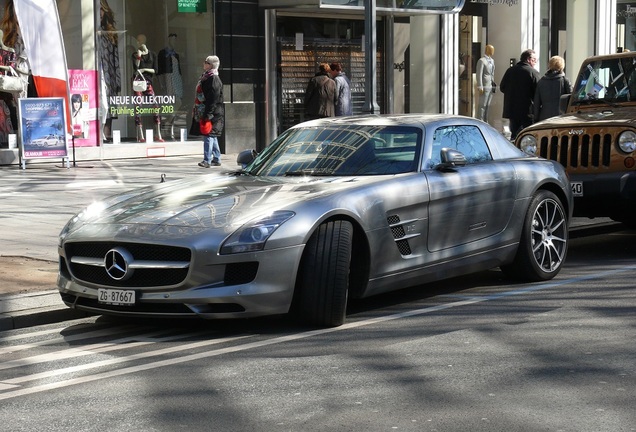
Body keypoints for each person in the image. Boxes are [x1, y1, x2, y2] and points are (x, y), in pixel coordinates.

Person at [190, 55, 224, 168]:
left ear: (211, 65)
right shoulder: (207, 76)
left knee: (208, 134)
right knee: (211, 134)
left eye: (206, 62)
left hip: (212, 112)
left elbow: (213, 98)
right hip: (208, 110)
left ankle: (207, 160)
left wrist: (208, 114)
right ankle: (217, 158)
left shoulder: (213, 78)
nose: (203, 63)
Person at [500, 49, 541, 140]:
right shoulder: (533, 72)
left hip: (512, 110)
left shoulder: (510, 71)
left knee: (514, 135)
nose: (535, 63)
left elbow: (502, 87)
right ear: (529, 59)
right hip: (527, 111)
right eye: (535, 60)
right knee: (528, 137)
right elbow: (538, 92)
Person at [131, 34, 163, 142]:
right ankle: (140, 135)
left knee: (155, 106)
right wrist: (139, 57)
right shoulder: (135, 54)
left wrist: (144, 69)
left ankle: (158, 133)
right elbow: (135, 69)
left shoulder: (153, 54)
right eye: (138, 41)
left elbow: (156, 70)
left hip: (148, 82)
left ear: (145, 41)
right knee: (138, 107)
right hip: (138, 83)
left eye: (140, 40)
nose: (139, 43)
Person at [97, 0, 121, 143]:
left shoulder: (110, 32)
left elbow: (115, 57)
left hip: (109, 74)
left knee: (109, 104)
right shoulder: (91, 30)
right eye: (98, 9)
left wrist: (117, 79)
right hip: (95, 72)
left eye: (102, 9)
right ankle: (97, 135)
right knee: (98, 103)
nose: (100, 13)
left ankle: (107, 135)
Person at [157, 33, 183, 140]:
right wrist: (161, 82)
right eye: (172, 40)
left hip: (176, 78)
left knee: (178, 101)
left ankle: (169, 122)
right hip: (167, 78)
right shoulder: (162, 53)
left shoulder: (176, 55)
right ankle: (166, 125)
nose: (174, 42)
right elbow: (159, 69)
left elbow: (179, 69)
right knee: (170, 102)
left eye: (175, 40)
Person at [533, 55, 572, 122]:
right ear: (562, 66)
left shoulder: (541, 82)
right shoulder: (564, 81)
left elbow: (537, 102)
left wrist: (536, 117)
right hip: (561, 117)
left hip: (544, 117)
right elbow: (571, 98)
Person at [475, 44, 496, 123]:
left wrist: (493, 84)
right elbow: (479, 74)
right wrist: (480, 86)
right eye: (491, 49)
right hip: (484, 85)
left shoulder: (492, 61)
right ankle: (480, 121)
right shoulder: (481, 61)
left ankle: (486, 121)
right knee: (482, 105)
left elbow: (492, 73)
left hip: (490, 85)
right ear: (487, 50)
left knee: (488, 105)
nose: (493, 51)